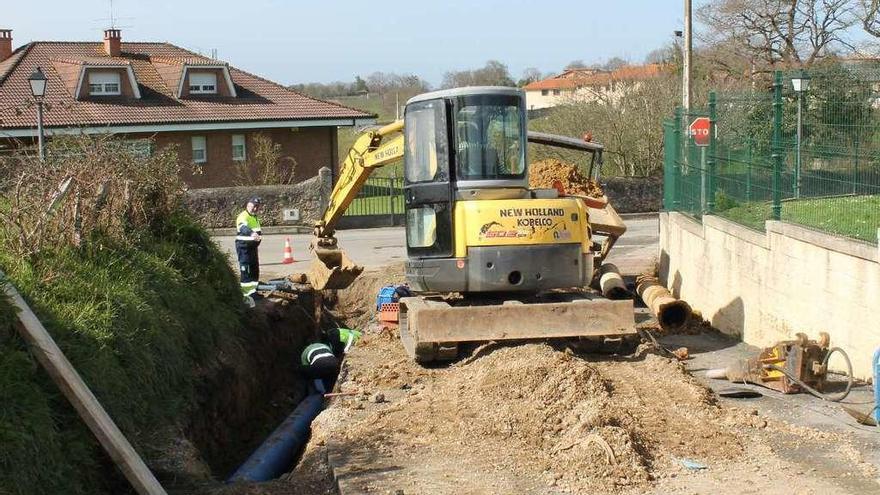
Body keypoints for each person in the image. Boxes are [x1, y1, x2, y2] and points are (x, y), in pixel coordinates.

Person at [235, 197, 263, 300]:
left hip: (252, 248)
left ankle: (253, 291)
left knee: (254, 269)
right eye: (253, 206)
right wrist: (252, 233)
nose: (255, 208)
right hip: (244, 248)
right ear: (248, 205)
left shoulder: (254, 217)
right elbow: (242, 227)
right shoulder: (243, 216)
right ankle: (246, 294)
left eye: (257, 206)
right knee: (246, 270)